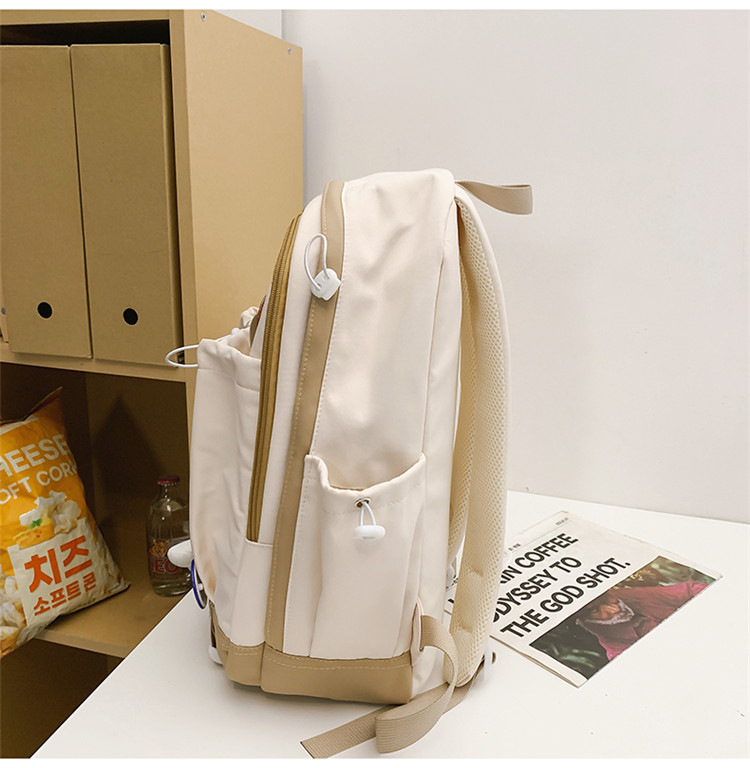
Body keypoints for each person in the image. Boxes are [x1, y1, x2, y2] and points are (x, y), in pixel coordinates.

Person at [576, 580, 708, 661]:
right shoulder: (619, 653)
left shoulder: (627, 596)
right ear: (588, 621)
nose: (615, 609)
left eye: (606, 599)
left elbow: (690, 589)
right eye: (596, 611)